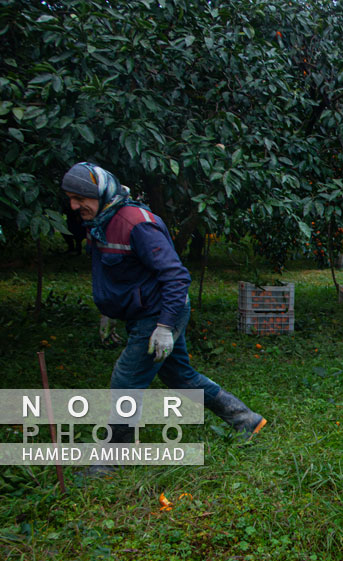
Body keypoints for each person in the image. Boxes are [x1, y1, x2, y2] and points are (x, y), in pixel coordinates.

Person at [61, 162, 266, 444]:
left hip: (159, 312)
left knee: (126, 380)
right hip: (143, 312)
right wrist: (107, 311)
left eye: (80, 198)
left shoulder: (135, 223)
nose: (74, 205)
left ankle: (113, 458)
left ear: (101, 192)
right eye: (71, 198)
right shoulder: (100, 224)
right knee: (180, 376)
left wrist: (164, 326)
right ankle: (247, 420)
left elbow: (176, 276)